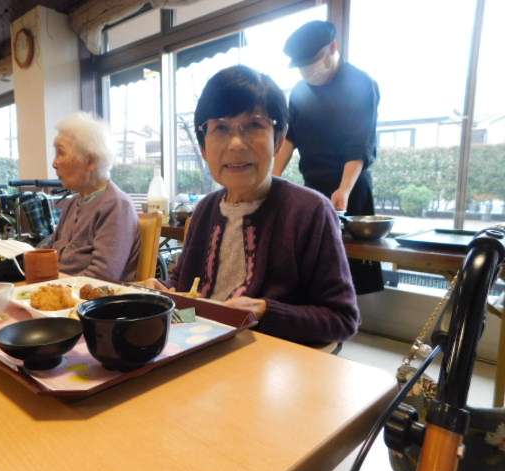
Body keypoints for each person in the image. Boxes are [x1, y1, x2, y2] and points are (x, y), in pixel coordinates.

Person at [142, 65, 359, 346]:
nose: (235, 144)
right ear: (204, 146)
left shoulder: (311, 211)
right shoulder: (204, 210)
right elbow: (187, 303)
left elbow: (342, 319)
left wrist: (266, 312)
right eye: (220, 128)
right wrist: (162, 294)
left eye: (254, 125)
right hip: (192, 348)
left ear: (278, 139)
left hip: (268, 362)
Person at [273, 20, 383, 294]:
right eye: (302, 66)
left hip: (351, 190)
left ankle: (348, 318)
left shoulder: (360, 84)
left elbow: (359, 144)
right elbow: (289, 140)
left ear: (333, 47)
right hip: (314, 189)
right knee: (313, 269)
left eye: (312, 62)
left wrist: (343, 190)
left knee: (351, 274)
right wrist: (269, 179)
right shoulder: (300, 93)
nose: (308, 71)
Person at [47, 111, 140, 282]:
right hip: (59, 290)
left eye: (61, 153)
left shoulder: (117, 205)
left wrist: (52, 284)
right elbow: (49, 253)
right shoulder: (72, 203)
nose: (54, 163)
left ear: (90, 161)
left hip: (90, 297)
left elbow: (103, 277)